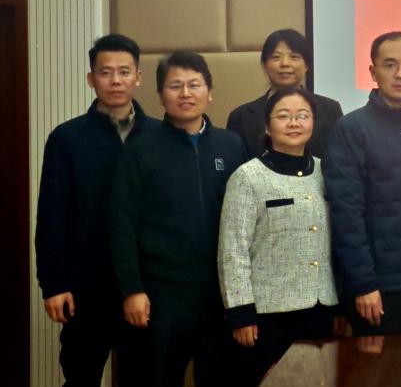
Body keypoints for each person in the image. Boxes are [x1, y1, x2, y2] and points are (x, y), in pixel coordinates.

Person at [109, 51, 247, 386]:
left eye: (194, 85)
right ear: (160, 95)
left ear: (210, 92)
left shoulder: (231, 146)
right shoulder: (140, 150)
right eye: (175, 86)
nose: (185, 93)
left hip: (219, 296)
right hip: (161, 298)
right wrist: (132, 290)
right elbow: (121, 225)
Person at [35, 34, 158, 387]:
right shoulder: (67, 138)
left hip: (145, 286)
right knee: (80, 376)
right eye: (106, 72)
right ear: (91, 78)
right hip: (85, 287)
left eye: (124, 71)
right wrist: (53, 283)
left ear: (138, 77)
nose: (115, 80)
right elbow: (51, 216)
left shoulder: (159, 136)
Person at [323, 32, 401, 336]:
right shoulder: (350, 129)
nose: (400, 74)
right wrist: (363, 284)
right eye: (390, 65)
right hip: (378, 288)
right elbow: (346, 213)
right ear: (373, 72)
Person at [219, 86, 340, 385]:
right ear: (267, 126)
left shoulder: (327, 172)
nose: (294, 123)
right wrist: (240, 312)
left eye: (303, 116)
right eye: (284, 116)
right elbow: (233, 250)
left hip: (321, 308)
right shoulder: (248, 177)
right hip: (268, 314)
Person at [227, 29, 343, 159]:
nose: (285, 63)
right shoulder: (241, 117)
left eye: (294, 57)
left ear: (306, 65)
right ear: (264, 65)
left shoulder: (330, 110)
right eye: (276, 57)